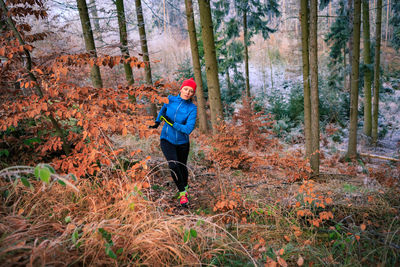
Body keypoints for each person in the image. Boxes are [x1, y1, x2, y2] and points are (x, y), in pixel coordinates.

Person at [149, 78, 197, 207]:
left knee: (182, 166)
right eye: (186, 89)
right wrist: (158, 122)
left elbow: (188, 129)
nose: (188, 92)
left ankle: (185, 185)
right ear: (181, 89)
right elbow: (163, 110)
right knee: (173, 165)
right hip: (166, 139)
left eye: (191, 91)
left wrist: (171, 123)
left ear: (193, 94)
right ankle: (183, 193)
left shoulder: (192, 108)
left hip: (182, 142)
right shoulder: (170, 99)